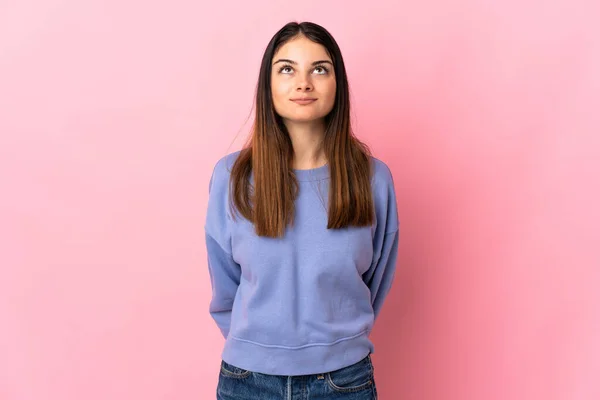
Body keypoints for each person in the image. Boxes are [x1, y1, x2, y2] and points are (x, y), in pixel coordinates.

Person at [205, 21, 399, 399]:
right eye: (287, 68)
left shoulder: (373, 179)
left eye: (320, 69)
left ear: (337, 83)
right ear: (269, 84)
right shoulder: (231, 177)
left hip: (344, 382)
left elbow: (376, 279)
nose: (304, 82)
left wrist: (334, 342)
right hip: (248, 381)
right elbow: (225, 282)